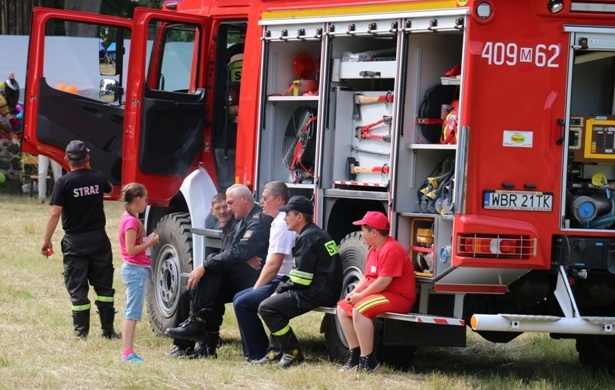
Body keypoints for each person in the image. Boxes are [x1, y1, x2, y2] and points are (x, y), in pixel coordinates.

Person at [165, 184, 272, 359]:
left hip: (255, 278)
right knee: (189, 291)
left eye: (230, 203)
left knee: (212, 271)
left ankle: (199, 326)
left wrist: (205, 265)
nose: (228, 208)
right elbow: (233, 250)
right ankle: (186, 346)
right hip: (239, 273)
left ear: (244, 199)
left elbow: (238, 251)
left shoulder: (257, 220)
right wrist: (241, 254)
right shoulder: (238, 218)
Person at [40, 140, 121, 340]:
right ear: (87, 158)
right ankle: (108, 331)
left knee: (77, 286)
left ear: (66, 159)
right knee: (104, 287)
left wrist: (46, 241)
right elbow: (109, 190)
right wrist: (90, 169)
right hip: (98, 238)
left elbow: (54, 213)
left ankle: (81, 332)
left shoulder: (64, 182)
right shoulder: (98, 177)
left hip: (75, 241)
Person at [257, 196, 342, 367]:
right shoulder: (314, 233)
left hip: (319, 292)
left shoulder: (308, 237)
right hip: (324, 289)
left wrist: (279, 290)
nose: (285, 218)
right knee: (274, 305)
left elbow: (301, 278)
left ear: (299, 217)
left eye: (288, 214)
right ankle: (275, 352)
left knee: (267, 307)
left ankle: (292, 352)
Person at [336, 211, 416, 373]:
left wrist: (360, 296)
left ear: (374, 232)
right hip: (383, 294)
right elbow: (367, 277)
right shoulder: (373, 249)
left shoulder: (390, 250)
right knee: (342, 308)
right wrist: (354, 293)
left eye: (363, 229)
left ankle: (368, 361)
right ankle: (355, 355)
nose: (361, 233)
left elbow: (383, 282)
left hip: (398, 297)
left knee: (360, 310)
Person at [233, 181, 297, 362]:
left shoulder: (283, 223)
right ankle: (261, 350)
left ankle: (259, 353)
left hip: (284, 280)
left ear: (279, 200)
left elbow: (274, 264)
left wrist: (257, 287)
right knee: (239, 298)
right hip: (278, 277)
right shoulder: (278, 221)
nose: (261, 201)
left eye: (265, 198)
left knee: (243, 303)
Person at [167, 192, 235, 358]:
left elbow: (232, 255)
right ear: (212, 211)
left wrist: (205, 265)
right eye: (218, 208)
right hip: (226, 276)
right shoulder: (224, 227)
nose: (223, 211)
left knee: (212, 289)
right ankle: (182, 346)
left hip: (238, 278)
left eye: (225, 206)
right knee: (186, 292)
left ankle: (206, 342)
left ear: (231, 207)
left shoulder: (236, 225)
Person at [118, 183, 160, 363]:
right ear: (137, 199)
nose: (147, 203)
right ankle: (127, 353)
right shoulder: (132, 221)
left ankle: (128, 351)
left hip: (135, 270)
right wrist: (150, 243)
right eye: (145, 199)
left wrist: (146, 239)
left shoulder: (128, 218)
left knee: (132, 311)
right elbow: (131, 249)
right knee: (132, 312)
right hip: (135, 271)